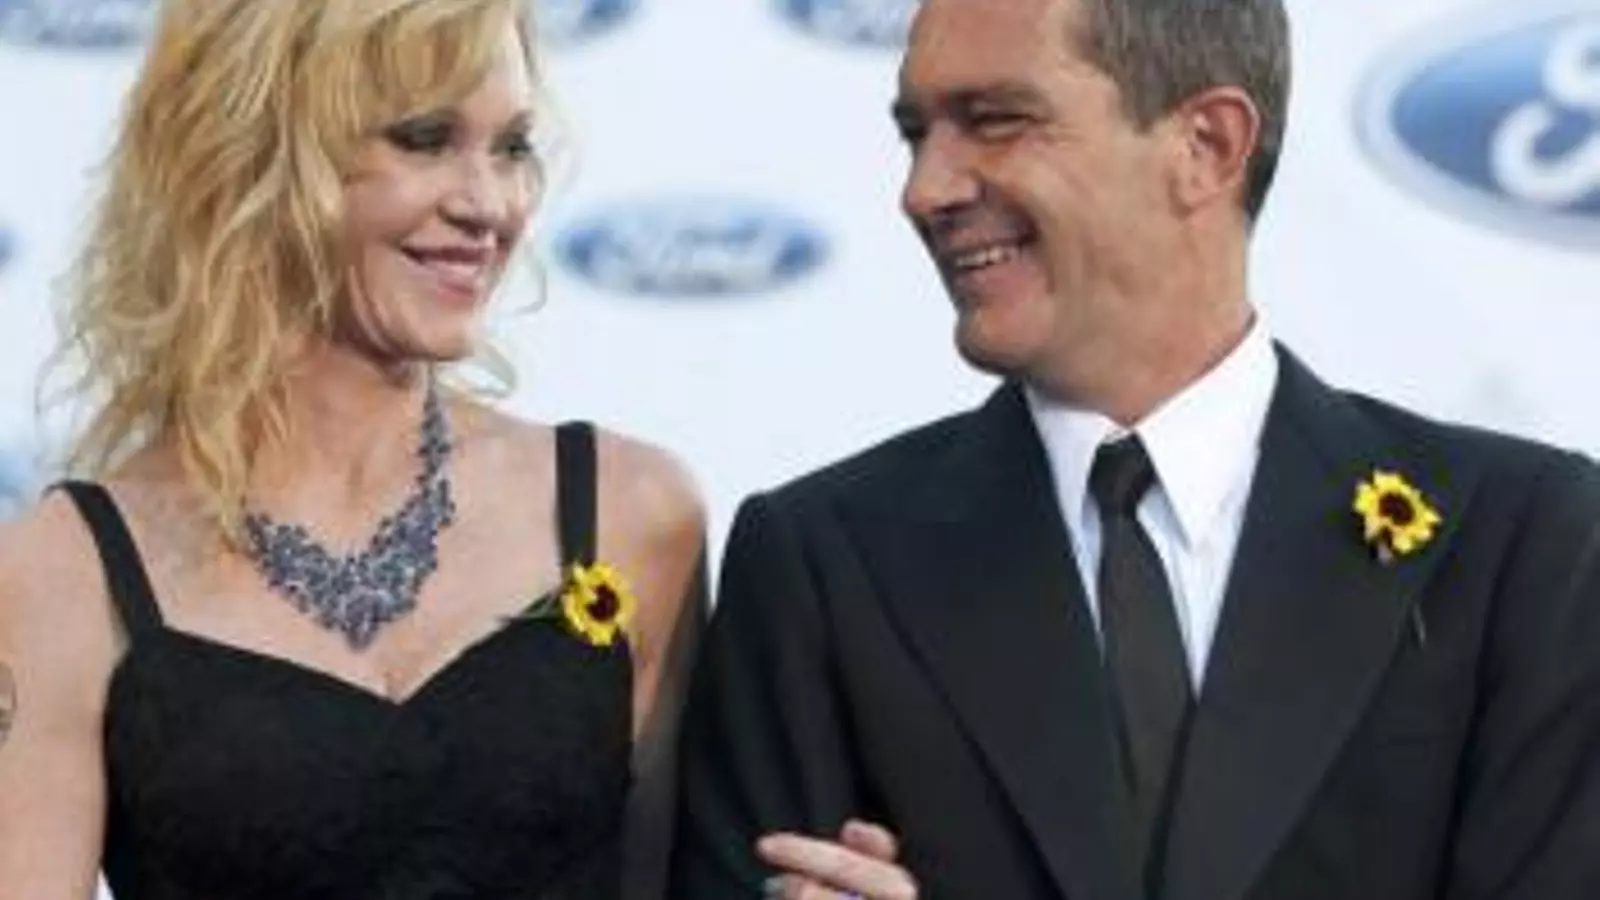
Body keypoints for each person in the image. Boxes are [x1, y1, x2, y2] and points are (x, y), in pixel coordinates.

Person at [670, 0, 1600, 898]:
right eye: (917, 134)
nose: (925, 189)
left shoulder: (1517, 545)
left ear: (1207, 147)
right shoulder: (821, 563)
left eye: (995, 121)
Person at [0, 1, 716, 898]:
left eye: (512, 147)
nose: (488, 204)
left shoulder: (632, 516)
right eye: (424, 139)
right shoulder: (60, 577)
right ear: (255, 150)